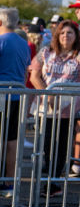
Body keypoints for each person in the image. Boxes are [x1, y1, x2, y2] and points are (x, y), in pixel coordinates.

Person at [0, 6, 31, 197]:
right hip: (17, 95)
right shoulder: (23, 42)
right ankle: (9, 184)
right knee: (11, 141)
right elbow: (26, 72)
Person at [29, 20, 80, 193]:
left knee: (62, 145)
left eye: (70, 33)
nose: (66, 36)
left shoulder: (78, 55)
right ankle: (49, 176)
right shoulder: (46, 52)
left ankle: (54, 181)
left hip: (68, 108)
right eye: (63, 33)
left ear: (76, 36)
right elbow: (34, 76)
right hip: (46, 106)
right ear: (57, 36)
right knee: (47, 144)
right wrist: (48, 93)